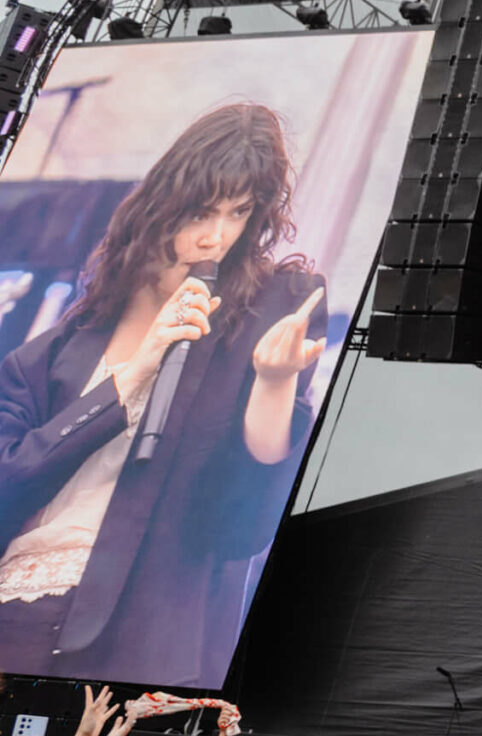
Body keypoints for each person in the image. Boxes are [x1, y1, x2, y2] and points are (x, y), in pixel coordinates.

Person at [0, 104, 329, 687]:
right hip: (17, 610)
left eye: (238, 212)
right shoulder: (61, 345)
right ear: (161, 205)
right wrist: (133, 374)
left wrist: (276, 384)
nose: (216, 235)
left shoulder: (267, 310)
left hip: (147, 626)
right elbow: (10, 476)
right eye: (203, 211)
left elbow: (241, 522)